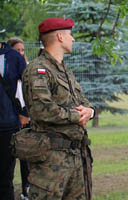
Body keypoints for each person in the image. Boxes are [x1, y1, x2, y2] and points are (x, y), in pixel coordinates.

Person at [22, 17, 95, 199]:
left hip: (75, 156)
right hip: (50, 162)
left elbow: (81, 99)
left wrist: (90, 112)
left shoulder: (63, 69)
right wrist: (76, 117)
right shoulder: (38, 70)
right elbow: (42, 109)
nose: (73, 39)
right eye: (70, 35)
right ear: (60, 37)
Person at [0, 38, 27, 199]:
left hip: (6, 125)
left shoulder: (13, 57)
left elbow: (27, 87)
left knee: (4, 178)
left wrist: (25, 113)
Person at [7, 37, 30, 200]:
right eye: (17, 50)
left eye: (23, 50)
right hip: (12, 118)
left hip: (27, 119)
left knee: (26, 158)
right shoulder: (9, 72)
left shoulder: (27, 70)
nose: (21, 53)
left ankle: (26, 189)